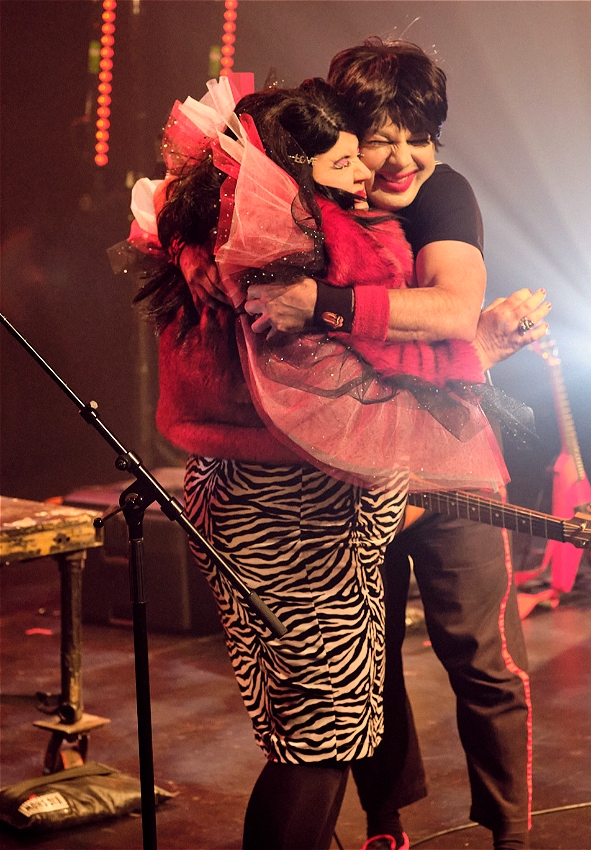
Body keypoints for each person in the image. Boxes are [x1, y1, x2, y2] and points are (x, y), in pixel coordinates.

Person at [116, 74, 509, 850]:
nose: (367, 174)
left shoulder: (222, 236)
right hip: (292, 506)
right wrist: (478, 348)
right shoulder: (292, 255)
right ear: (293, 176)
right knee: (324, 738)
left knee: (316, 727)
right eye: (344, 164)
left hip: (256, 494)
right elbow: (347, 392)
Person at [241, 40, 550, 850]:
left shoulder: (443, 192)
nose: (405, 158)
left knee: (482, 657)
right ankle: (385, 825)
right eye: (383, 137)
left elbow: (450, 310)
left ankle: (510, 833)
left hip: (448, 451)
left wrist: (323, 303)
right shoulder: (310, 198)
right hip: (346, 468)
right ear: (345, 133)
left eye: (422, 136)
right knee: (364, 666)